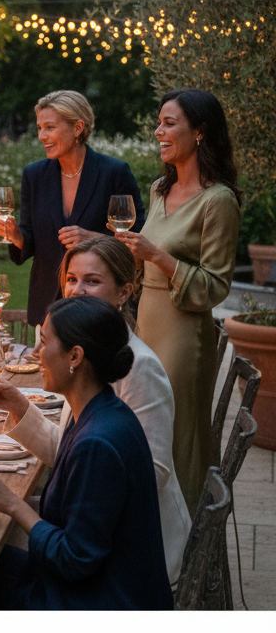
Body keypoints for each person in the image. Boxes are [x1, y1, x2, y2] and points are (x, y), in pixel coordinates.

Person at [0, 236, 191, 583]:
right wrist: (20, 407)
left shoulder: (139, 367)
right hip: (92, 533)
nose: (77, 290)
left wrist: (65, 499)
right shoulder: (85, 360)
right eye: (71, 279)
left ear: (124, 293)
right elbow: (74, 450)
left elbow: (150, 471)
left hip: (127, 551)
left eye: (92, 281)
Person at [0, 296, 173, 609]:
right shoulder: (99, 410)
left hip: (102, 599)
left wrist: (12, 503)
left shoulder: (97, 442)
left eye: (44, 342)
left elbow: (75, 559)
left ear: (75, 356)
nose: (36, 353)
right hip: (98, 583)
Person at [116, 88, 243, 513]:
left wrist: (158, 256)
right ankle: (147, 528)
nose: (159, 131)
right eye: (159, 122)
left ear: (200, 132)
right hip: (147, 324)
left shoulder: (218, 201)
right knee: (145, 430)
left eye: (170, 123)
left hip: (185, 333)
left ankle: (185, 548)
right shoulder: (158, 189)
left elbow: (215, 286)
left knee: (179, 437)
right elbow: (146, 264)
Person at [0, 90, 145, 327]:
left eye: (50, 127)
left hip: (98, 306)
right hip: (47, 306)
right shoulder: (34, 175)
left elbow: (138, 236)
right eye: (40, 128)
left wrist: (92, 239)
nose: (42, 136)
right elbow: (31, 237)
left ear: (78, 128)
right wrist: (15, 235)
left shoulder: (114, 173)